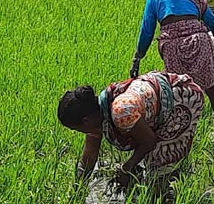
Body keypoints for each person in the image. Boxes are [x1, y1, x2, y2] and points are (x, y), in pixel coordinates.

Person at [58, 71, 205, 188]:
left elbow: (149, 141)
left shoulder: (120, 112)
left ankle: (168, 201)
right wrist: (78, 188)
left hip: (181, 97)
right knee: (148, 166)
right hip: (157, 101)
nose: (82, 133)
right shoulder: (97, 115)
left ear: (86, 121)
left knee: (159, 167)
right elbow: (89, 155)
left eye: (77, 129)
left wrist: (126, 168)